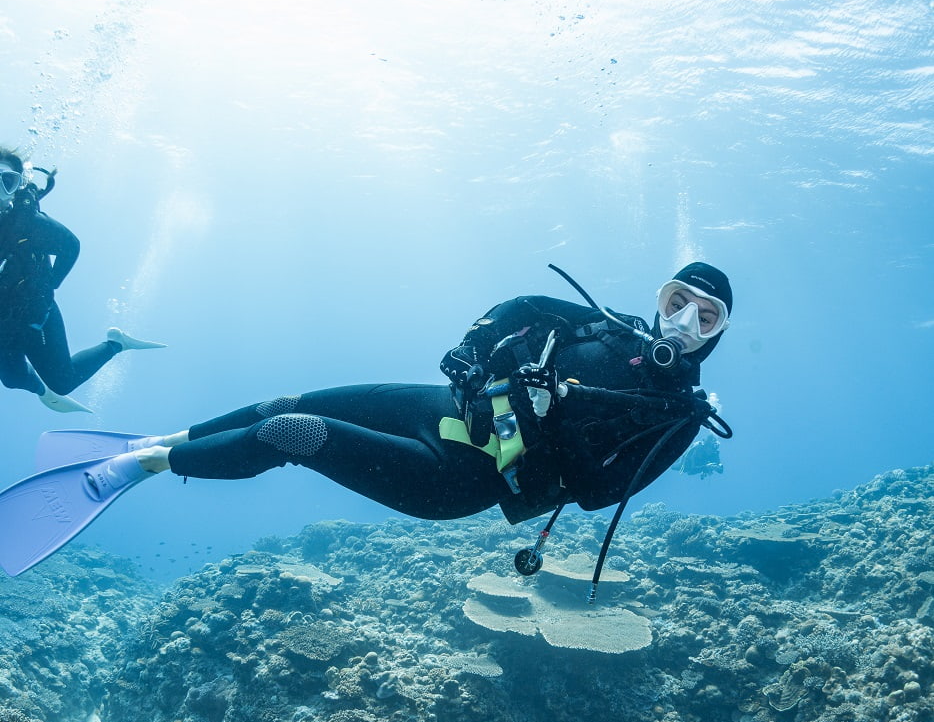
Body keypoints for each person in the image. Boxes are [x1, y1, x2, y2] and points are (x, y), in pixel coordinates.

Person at [0, 262, 733, 582]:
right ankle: (166, 439)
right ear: (661, 295)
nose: (684, 324)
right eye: (679, 302)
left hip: (462, 478)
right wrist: (473, 357)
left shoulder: (677, 416)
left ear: (718, 332)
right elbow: (520, 308)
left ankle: (132, 469)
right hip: (447, 409)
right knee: (284, 404)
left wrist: (550, 420)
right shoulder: (609, 329)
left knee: (291, 438)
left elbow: (601, 495)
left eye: (706, 318)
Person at [0, 148, 164, 413]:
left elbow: (70, 246)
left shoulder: (28, 224)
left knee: (63, 381)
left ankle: (116, 343)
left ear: (16, 189)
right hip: (3, 328)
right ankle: (42, 391)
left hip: (36, 316)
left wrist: (47, 286)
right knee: (13, 379)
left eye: (6, 182)